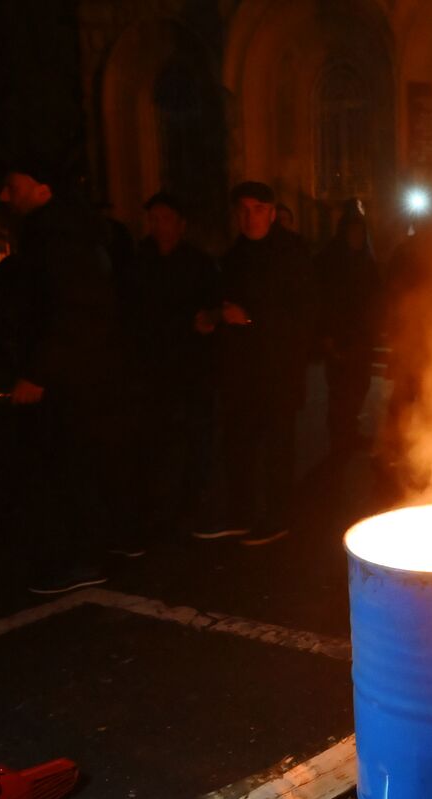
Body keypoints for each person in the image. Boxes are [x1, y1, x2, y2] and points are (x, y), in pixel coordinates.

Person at [0, 161, 124, 593]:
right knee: (77, 462)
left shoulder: (57, 237)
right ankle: (91, 548)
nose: (4, 195)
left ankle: (84, 557)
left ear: (43, 190)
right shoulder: (63, 233)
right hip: (79, 373)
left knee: (70, 463)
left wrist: (38, 372)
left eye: (14, 186)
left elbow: (68, 311)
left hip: (69, 378)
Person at [195, 181, 315, 545]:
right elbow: (225, 303)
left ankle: (278, 516)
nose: (250, 217)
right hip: (242, 371)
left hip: (278, 368)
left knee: (278, 446)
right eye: (243, 210)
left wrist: (251, 318)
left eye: (257, 209)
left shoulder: (292, 254)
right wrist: (215, 316)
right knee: (239, 443)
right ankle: (241, 513)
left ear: (272, 212)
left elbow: (305, 312)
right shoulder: (235, 256)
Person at [129, 191, 221, 532]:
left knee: (197, 433)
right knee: (158, 436)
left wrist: (207, 319)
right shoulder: (140, 261)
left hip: (192, 365)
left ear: (181, 224)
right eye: (153, 218)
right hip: (154, 367)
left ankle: (193, 500)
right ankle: (157, 504)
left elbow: (214, 307)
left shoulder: (197, 263)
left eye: (165, 218)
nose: (158, 225)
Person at [316, 199, 381, 471]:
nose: (356, 237)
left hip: (362, 336)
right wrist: (327, 335)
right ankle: (339, 441)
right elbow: (322, 300)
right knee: (340, 390)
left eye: (360, 232)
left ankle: (350, 433)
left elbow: (375, 294)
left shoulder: (366, 260)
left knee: (360, 385)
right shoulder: (330, 260)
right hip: (340, 336)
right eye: (352, 232)